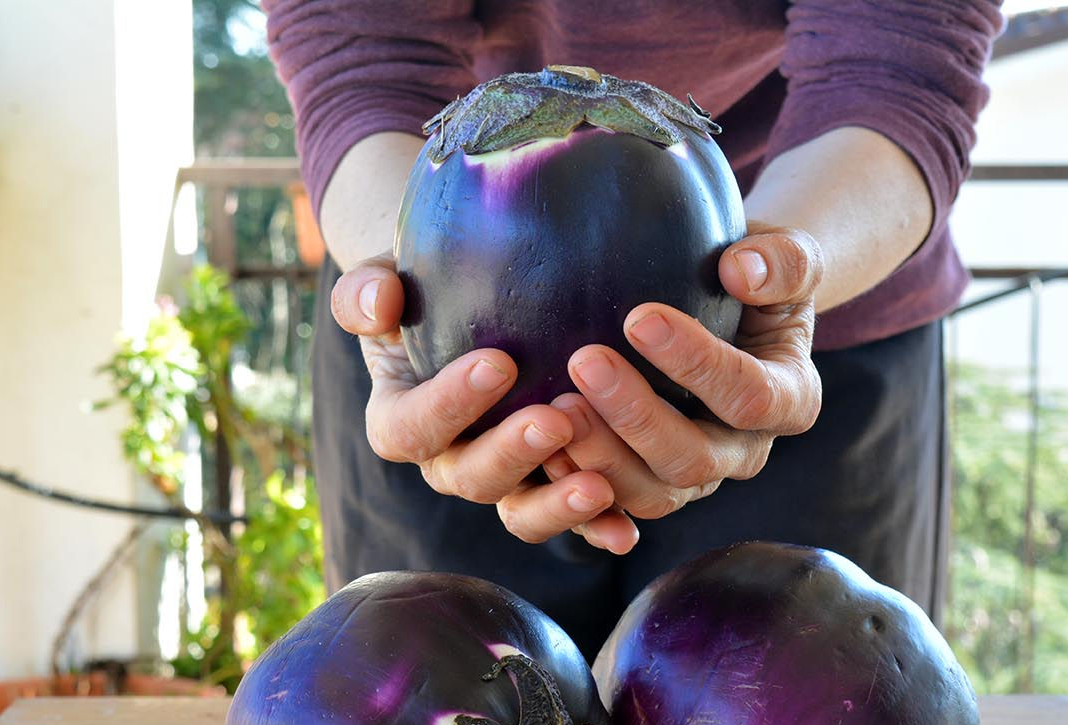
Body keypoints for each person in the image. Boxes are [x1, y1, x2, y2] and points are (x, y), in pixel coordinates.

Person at [263, 1, 1004, 658]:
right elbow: (362, 56)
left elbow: (896, 64)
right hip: (433, 317)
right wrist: (397, 281)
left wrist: (787, 272)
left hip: (818, 288)